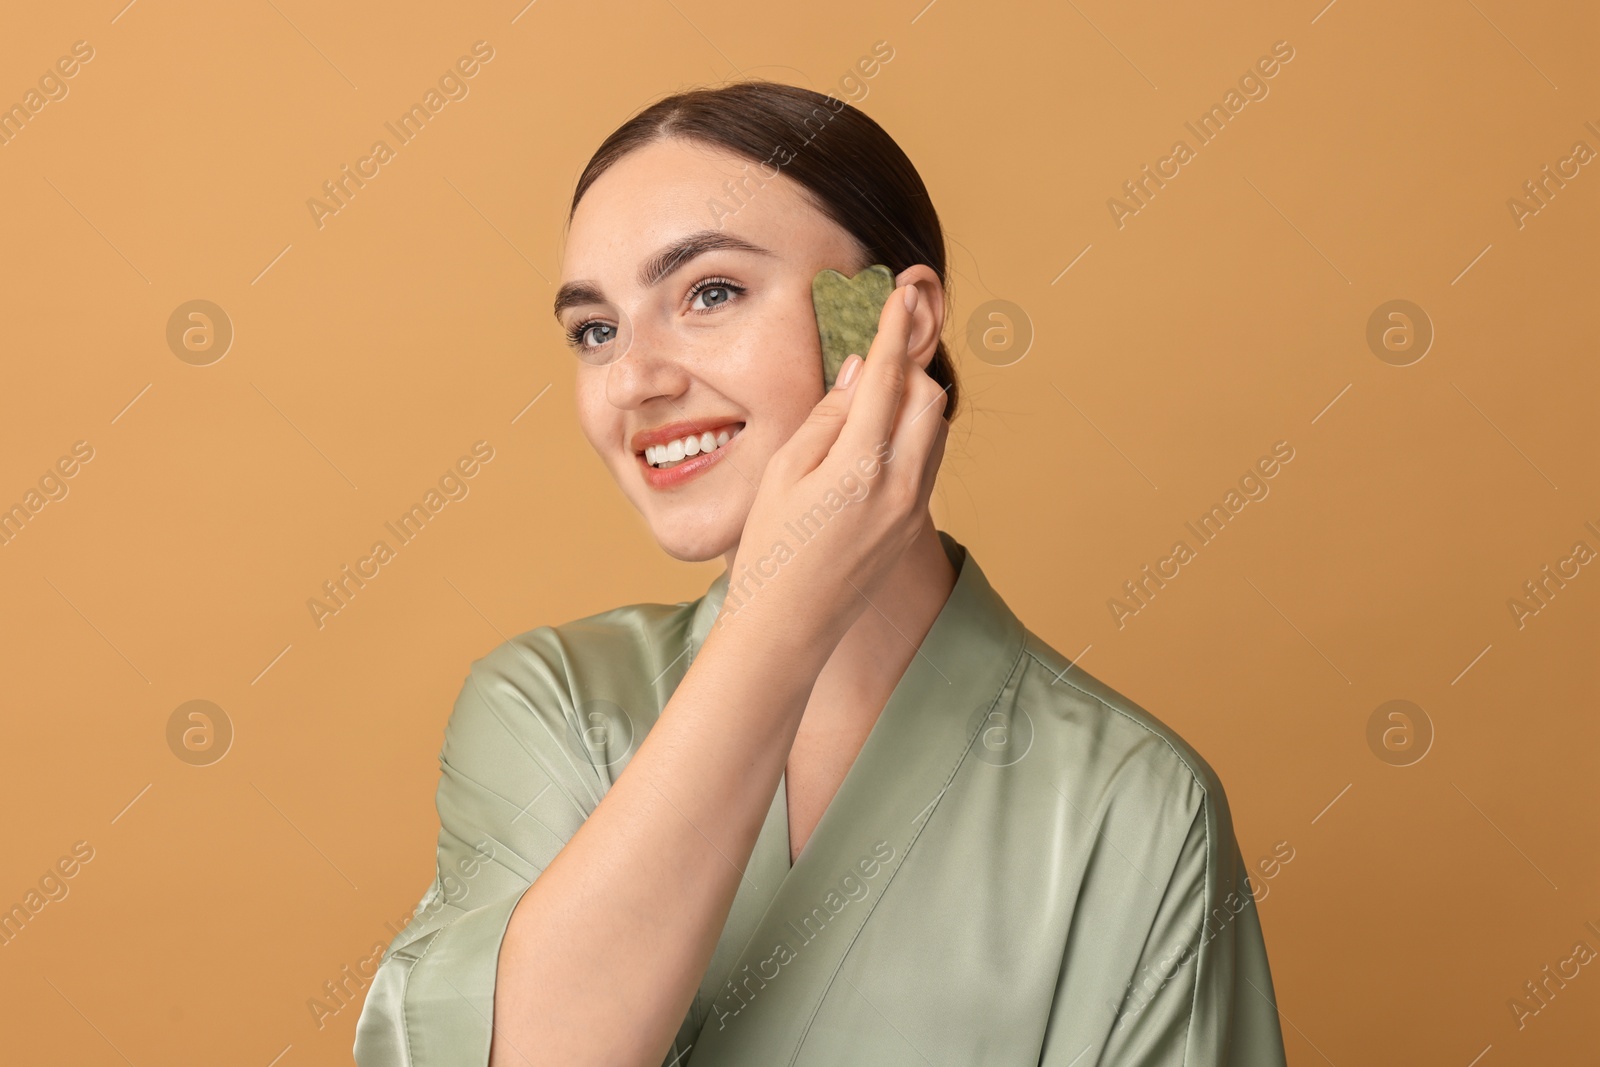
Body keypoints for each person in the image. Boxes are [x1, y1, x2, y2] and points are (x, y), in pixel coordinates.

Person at [353, 79, 1289, 1067]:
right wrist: (779, 613)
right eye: (595, 329)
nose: (633, 379)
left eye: (709, 292)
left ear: (891, 321)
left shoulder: (1131, 802)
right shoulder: (553, 708)